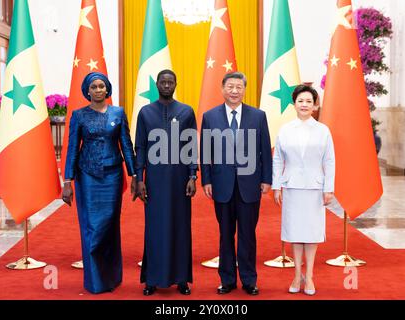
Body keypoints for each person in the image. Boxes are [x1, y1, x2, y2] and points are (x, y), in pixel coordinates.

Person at [62, 72, 137, 294]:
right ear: (87, 91)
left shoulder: (118, 113)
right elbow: (73, 148)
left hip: (113, 176)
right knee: (91, 227)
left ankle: (112, 277)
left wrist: (134, 176)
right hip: (87, 176)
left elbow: (126, 144)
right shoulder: (79, 115)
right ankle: (95, 280)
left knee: (109, 225)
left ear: (107, 89)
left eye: (101, 86)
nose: (97, 90)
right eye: (93, 87)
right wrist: (68, 181)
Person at [200, 72, 272, 296]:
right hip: (221, 185)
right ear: (222, 89)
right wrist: (207, 180)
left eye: (238, 87)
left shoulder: (258, 116)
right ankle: (227, 280)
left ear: (244, 90)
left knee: (248, 235)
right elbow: (205, 152)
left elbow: (265, 151)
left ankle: (249, 280)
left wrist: (266, 179)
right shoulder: (210, 116)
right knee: (225, 234)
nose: (234, 91)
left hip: (250, 186)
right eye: (230, 87)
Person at [134, 69, 198, 296]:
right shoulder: (145, 112)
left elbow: (191, 146)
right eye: (163, 82)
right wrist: (138, 179)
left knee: (180, 227)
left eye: (171, 82)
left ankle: (181, 279)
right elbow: (140, 147)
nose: (167, 85)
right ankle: (152, 279)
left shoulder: (186, 111)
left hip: (180, 180)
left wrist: (193, 175)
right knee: (155, 229)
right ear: (157, 85)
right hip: (154, 179)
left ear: (176, 84)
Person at [272, 84, 335, 296]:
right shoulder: (286, 129)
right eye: (301, 101)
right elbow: (278, 159)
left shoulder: (323, 130)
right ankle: (296, 274)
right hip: (291, 187)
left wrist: (329, 188)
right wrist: (276, 186)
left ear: (315, 105)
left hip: (315, 189)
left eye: (309, 101)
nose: (305, 105)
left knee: (311, 233)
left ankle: (309, 276)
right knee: (295, 232)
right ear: (294, 104)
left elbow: (330, 161)